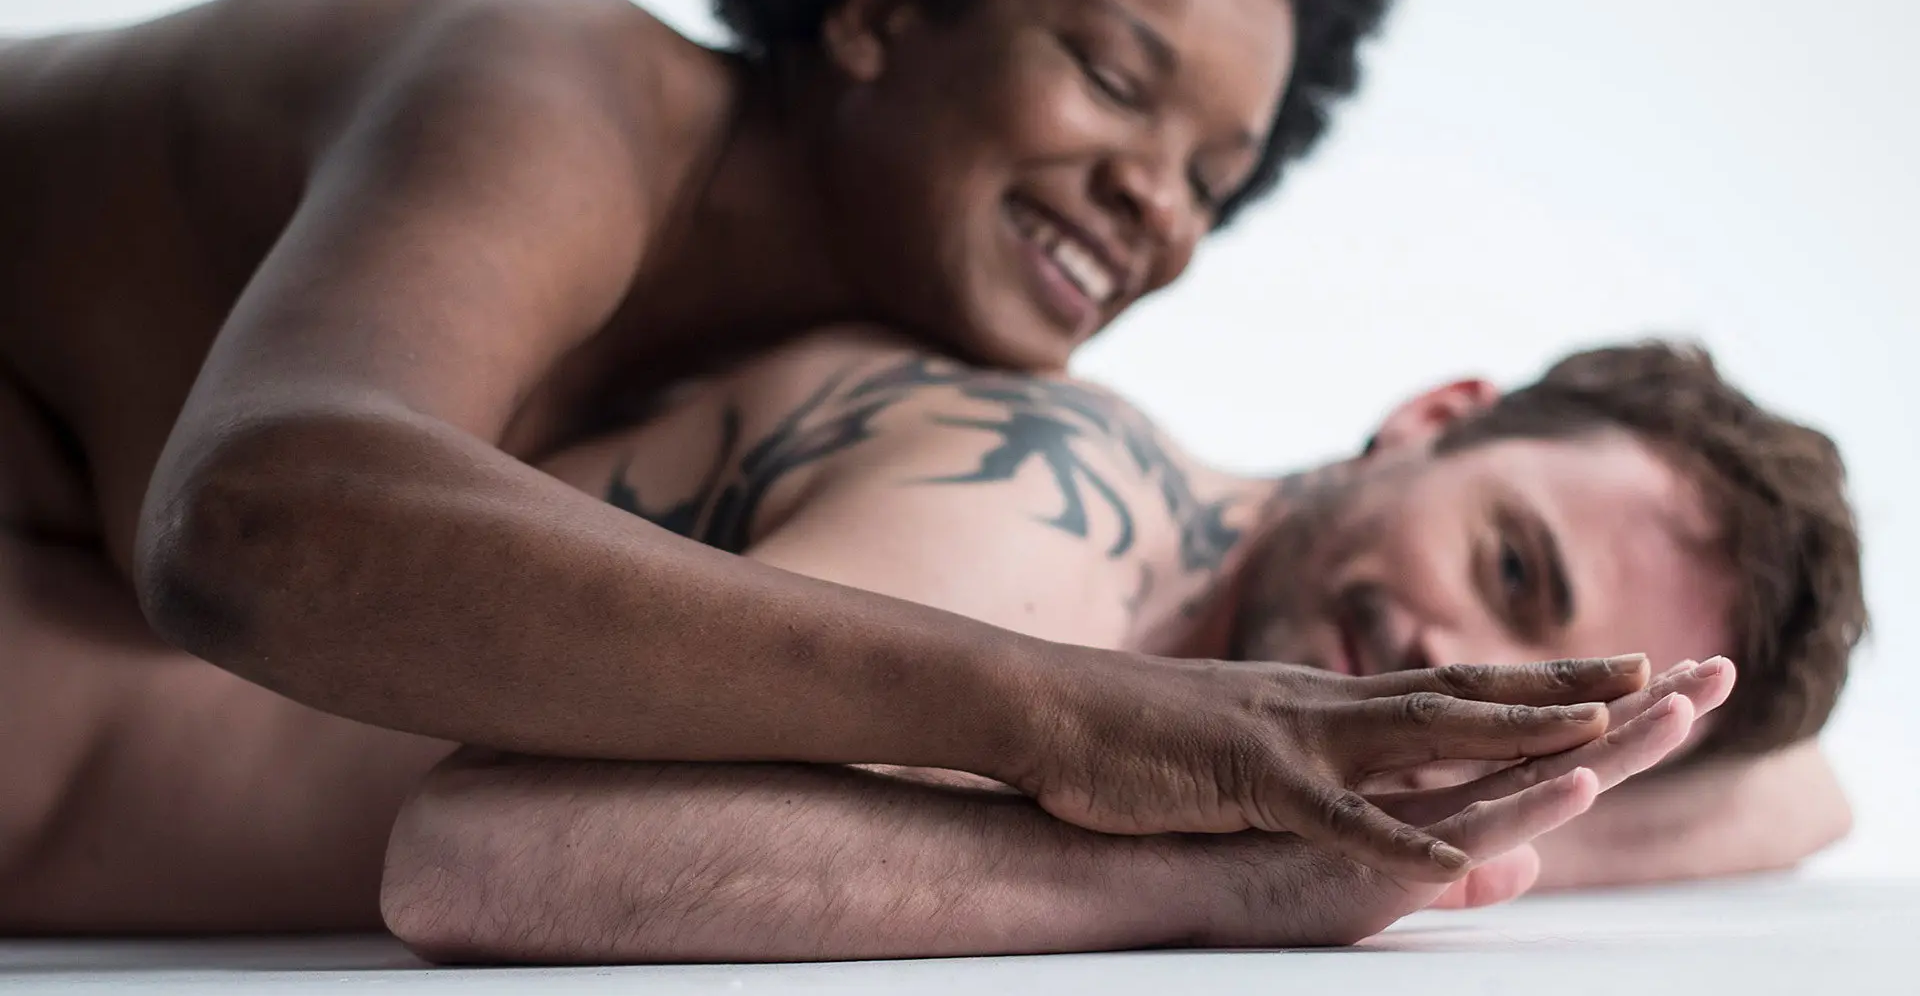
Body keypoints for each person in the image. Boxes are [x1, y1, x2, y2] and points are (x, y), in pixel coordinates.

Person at [0, 0, 1639, 881]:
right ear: (879, 10)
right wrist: (1065, 713)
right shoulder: (541, 84)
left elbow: (1804, 788)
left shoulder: (867, 359)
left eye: (1215, 179)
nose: (1159, 207)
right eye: (1116, 81)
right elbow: (255, 522)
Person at [0, 327, 1863, 956]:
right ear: (1434, 409)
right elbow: (482, 854)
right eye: (1514, 570)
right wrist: (1230, 883)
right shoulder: (1064, 508)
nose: (1446, 648)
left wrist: (1519, 787)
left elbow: (1808, 800)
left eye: (1541, 683)